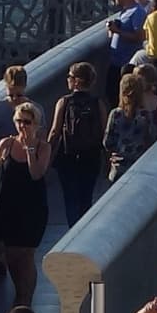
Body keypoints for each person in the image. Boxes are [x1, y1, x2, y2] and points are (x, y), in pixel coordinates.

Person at [0, 101, 51, 313]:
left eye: (27, 122)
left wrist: (30, 150)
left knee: (27, 254)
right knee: (12, 255)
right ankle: (19, 292)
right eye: (19, 121)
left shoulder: (43, 147)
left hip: (32, 209)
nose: (22, 126)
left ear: (36, 124)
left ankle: (25, 301)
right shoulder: (6, 144)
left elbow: (36, 174)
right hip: (7, 206)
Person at [52, 62, 110, 228]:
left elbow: (55, 131)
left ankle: (72, 230)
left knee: (70, 197)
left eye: (70, 76)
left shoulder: (64, 102)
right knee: (86, 196)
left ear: (76, 81)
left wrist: (46, 154)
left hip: (67, 156)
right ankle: (84, 230)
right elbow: (105, 131)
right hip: (91, 156)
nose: (68, 79)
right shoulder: (98, 103)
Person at [105, 63, 157, 186]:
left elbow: (108, 142)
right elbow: (153, 136)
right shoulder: (147, 115)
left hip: (119, 167)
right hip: (141, 166)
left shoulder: (115, 114)